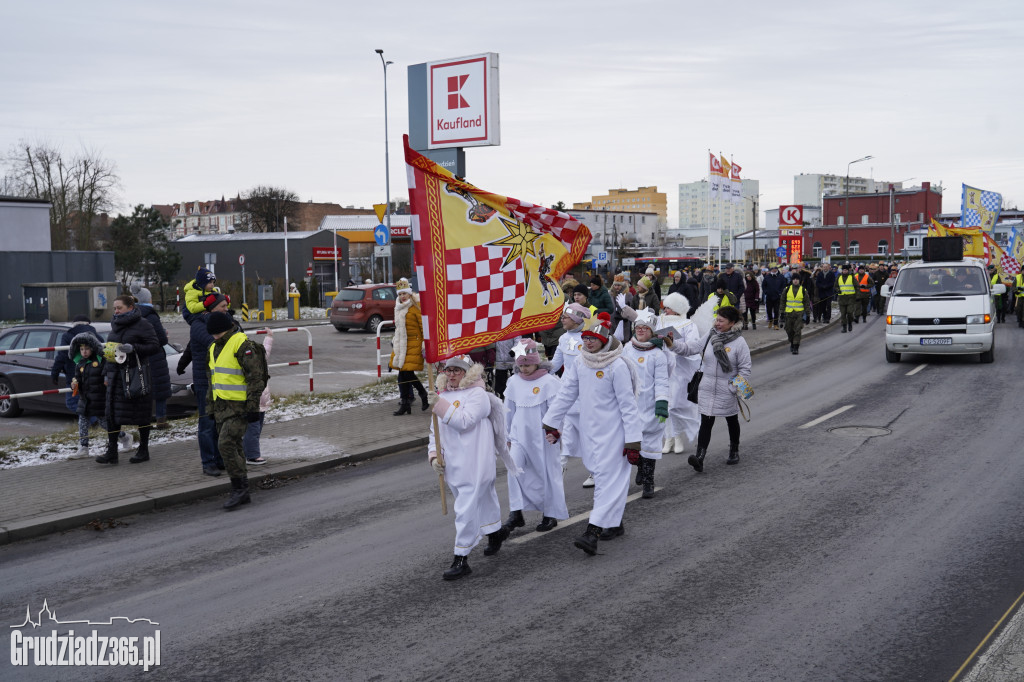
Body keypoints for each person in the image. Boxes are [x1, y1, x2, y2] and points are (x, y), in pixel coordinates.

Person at [543, 312, 643, 554]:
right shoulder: (580, 362)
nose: (588, 343)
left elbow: (628, 405)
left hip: (615, 433)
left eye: (593, 339)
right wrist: (551, 422)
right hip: (591, 431)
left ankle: (593, 531)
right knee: (603, 478)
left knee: (608, 482)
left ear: (604, 341)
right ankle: (614, 523)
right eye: (586, 338)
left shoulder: (617, 365)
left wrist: (633, 441)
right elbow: (567, 393)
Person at [428, 355, 516, 580]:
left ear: (468, 372)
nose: (451, 374)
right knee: (484, 499)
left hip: (476, 461)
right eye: (448, 370)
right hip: (454, 464)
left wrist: (439, 405)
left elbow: (464, 422)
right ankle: (496, 532)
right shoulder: (443, 395)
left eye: (457, 370)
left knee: (465, 509)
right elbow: (434, 432)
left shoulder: (479, 395)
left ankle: (461, 557)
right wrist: (435, 457)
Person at [502, 339, 568, 533]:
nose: (524, 369)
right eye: (520, 365)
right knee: (513, 470)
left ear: (536, 361)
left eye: (528, 364)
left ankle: (550, 513)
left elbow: (557, 409)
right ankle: (516, 512)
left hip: (543, 437)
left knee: (547, 473)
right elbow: (508, 410)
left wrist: (556, 430)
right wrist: (506, 436)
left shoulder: (549, 381)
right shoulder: (513, 381)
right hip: (519, 437)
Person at [675, 306, 751, 472]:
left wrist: (733, 388)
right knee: (706, 423)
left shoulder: (739, 343)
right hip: (707, 387)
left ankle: (734, 450)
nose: (717, 323)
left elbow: (745, 369)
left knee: (731, 420)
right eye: (716, 319)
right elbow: (691, 348)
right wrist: (671, 344)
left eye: (721, 321)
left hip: (727, 388)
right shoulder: (710, 336)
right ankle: (700, 457)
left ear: (732, 323)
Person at [206, 310, 268, 510]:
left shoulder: (243, 344)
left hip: (240, 407)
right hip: (222, 406)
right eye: (213, 334)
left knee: (225, 444)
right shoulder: (213, 347)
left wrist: (252, 408)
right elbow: (213, 380)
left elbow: (256, 379)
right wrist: (210, 406)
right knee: (234, 446)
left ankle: (239, 489)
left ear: (226, 329)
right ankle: (242, 490)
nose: (215, 337)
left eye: (217, 333)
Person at [95, 295, 161, 465]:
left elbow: (155, 346)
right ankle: (112, 451)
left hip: (135, 375)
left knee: (141, 414)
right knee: (112, 415)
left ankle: (143, 450)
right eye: (115, 308)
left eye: (119, 308)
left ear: (130, 307)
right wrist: (105, 373)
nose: (116, 311)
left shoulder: (143, 324)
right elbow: (110, 351)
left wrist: (134, 349)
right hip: (115, 376)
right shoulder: (115, 325)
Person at [620, 309, 668, 499]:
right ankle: (640, 465)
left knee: (650, 442)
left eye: (644, 328)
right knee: (632, 441)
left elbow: (662, 381)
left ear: (652, 331)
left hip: (650, 405)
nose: (640, 330)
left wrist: (662, 402)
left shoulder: (658, 354)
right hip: (631, 403)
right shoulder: (626, 349)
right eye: (638, 327)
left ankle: (649, 480)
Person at [550, 302, 593, 488]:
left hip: (586, 395)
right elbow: (554, 365)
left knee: (589, 435)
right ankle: (560, 468)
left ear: (575, 320)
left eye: (565, 317)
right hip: (567, 394)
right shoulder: (562, 338)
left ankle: (595, 471)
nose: (562, 320)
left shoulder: (589, 339)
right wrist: (532, 368)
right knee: (566, 434)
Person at [187, 293, 230, 476]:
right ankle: (208, 462)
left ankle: (220, 459)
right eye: (222, 307)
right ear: (212, 308)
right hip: (205, 381)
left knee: (219, 421)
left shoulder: (223, 322)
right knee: (206, 423)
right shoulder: (198, 326)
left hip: (220, 379)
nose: (226, 309)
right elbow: (216, 343)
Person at [657, 292, 701, 455]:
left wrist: (675, 344)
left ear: (676, 309)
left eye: (668, 308)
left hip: (681, 369)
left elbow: (693, 345)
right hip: (662, 368)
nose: (665, 310)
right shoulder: (660, 321)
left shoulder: (689, 324)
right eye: (665, 307)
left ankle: (678, 437)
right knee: (665, 404)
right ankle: (668, 438)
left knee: (677, 404)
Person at [131, 284, 172, 429]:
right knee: (160, 390)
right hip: (154, 357)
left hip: (138, 357)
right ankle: (161, 419)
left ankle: (143, 422)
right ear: (148, 299)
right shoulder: (151, 315)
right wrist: (164, 336)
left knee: (142, 390)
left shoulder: (132, 315)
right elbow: (162, 339)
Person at [389, 281, 429, 415]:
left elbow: (424, 328)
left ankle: (422, 395)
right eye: (400, 294)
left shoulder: (415, 307)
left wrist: (424, 344)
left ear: (410, 293)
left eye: (404, 293)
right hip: (401, 345)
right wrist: (394, 342)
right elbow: (398, 329)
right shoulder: (398, 307)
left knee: (406, 373)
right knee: (402, 374)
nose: (402, 296)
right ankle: (407, 402)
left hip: (414, 344)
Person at [49, 315, 99, 417]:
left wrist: (55, 373)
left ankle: (94, 420)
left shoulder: (68, 336)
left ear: (74, 324)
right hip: (94, 374)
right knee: (90, 402)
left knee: (72, 403)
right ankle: (91, 423)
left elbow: (62, 356)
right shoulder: (96, 336)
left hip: (74, 375)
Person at [69, 332, 108, 459]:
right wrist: (74, 384)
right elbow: (77, 378)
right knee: (83, 422)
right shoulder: (80, 363)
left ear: (93, 348)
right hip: (85, 399)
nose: (84, 352)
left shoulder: (100, 361)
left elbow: (106, 374)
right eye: (81, 349)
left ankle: (124, 437)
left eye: (86, 349)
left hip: (98, 398)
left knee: (104, 423)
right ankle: (84, 447)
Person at [243, 329, 273, 466]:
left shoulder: (261, 358)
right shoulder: (247, 364)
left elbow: (267, 349)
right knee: (253, 429)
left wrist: (269, 337)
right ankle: (252, 455)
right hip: (253, 403)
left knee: (257, 429)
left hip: (262, 403)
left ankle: (248, 452)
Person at [781, 275, 813, 354]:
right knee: (789, 330)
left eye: (797, 279)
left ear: (799, 280)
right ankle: (792, 342)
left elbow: (806, 304)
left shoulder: (803, 290)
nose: (795, 281)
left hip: (799, 314)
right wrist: (781, 313)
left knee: (797, 330)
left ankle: (796, 346)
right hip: (788, 314)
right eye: (794, 279)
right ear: (792, 280)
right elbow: (782, 302)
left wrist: (808, 315)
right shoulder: (787, 289)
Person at [609, 274, 633, 341]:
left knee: (623, 339)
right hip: (612, 321)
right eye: (615, 285)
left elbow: (632, 307)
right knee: (613, 340)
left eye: (618, 285)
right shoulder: (610, 294)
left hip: (624, 322)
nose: (616, 287)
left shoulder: (628, 295)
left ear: (622, 286)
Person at [761, 265, 786, 330]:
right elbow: (763, 285)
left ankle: (775, 324)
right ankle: (770, 320)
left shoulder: (781, 277)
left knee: (776, 311)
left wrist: (780, 292)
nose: (774, 270)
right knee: (769, 310)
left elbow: (783, 285)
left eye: (775, 268)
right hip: (769, 296)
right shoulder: (767, 277)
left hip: (777, 296)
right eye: (772, 269)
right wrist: (766, 292)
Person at [837, 264, 858, 333]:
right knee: (843, 314)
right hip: (842, 298)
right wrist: (838, 290)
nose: (844, 271)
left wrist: (857, 295)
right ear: (842, 270)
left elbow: (857, 286)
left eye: (846, 270)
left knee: (850, 313)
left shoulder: (852, 277)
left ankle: (850, 323)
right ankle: (844, 327)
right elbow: (835, 286)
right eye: (843, 270)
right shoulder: (839, 277)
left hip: (850, 298)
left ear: (848, 270)